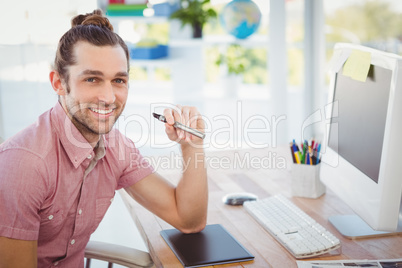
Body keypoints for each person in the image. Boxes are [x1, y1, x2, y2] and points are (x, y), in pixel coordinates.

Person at [0, 9, 207, 267]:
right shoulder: (24, 164)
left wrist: (191, 146)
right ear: (58, 83)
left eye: (118, 80)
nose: (109, 97)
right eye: (92, 79)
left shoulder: (116, 147)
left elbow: (188, 220)